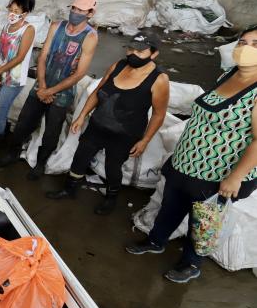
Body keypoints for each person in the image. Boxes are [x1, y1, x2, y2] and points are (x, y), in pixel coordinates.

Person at [126, 25, 257, 283]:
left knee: (204, 221)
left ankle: (191, 264)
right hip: (188, 159)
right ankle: (156, 241)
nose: (246, 49)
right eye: (243, 42)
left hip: (219, 171)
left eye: (255, 45)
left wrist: (235, 178)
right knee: (171, 206)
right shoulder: (228, 74)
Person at [47, 33, 169, 215]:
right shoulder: (118, 66)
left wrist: (145, 140)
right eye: (131, 48)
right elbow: (98, 91)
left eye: (140, 51)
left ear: (154, 54)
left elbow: (159, 115)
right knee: (80, 157)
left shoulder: (159, 79)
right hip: (98, 125)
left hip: (125, 134)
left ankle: (111, 198)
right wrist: (82, 116)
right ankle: (69, 189)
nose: (133, 54)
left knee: (112, 167)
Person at [0, 0, 100, 180]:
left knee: (52, 131)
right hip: (42, 84)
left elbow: (80, 73)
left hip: (62, 92)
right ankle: (12, 154)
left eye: (81, 10)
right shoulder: (56, 26)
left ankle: (41, 164)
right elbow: (42, 57)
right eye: (74, 8)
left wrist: (50, 91)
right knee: (23, 123)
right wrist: (43, 86)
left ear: (90, 13)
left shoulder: (90, 37)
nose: (75, 12)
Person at [0, 0, 36, 160]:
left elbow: (20, 57)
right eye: (10, 9)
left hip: (14, 79)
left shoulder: (28, 30)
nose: (11, 13)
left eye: (16, 10)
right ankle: (2, 135)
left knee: (0, 111)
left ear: (24, 13)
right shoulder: (6, 27)